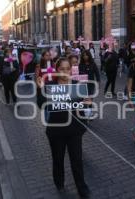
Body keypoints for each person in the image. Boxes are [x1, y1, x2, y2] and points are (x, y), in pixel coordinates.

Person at [37, 58, 91, 198]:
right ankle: (59, 182)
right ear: (57, 70)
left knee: (77, 160)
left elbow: (84, 107)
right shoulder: (50, 86)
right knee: (58, 159)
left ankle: (82, 188)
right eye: (62, 69)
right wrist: (40, 89)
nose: (66, 71)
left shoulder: (77, 85)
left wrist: (88, 103)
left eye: (68, 68)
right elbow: (42, 105)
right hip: (56, 131)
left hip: (74, 131)